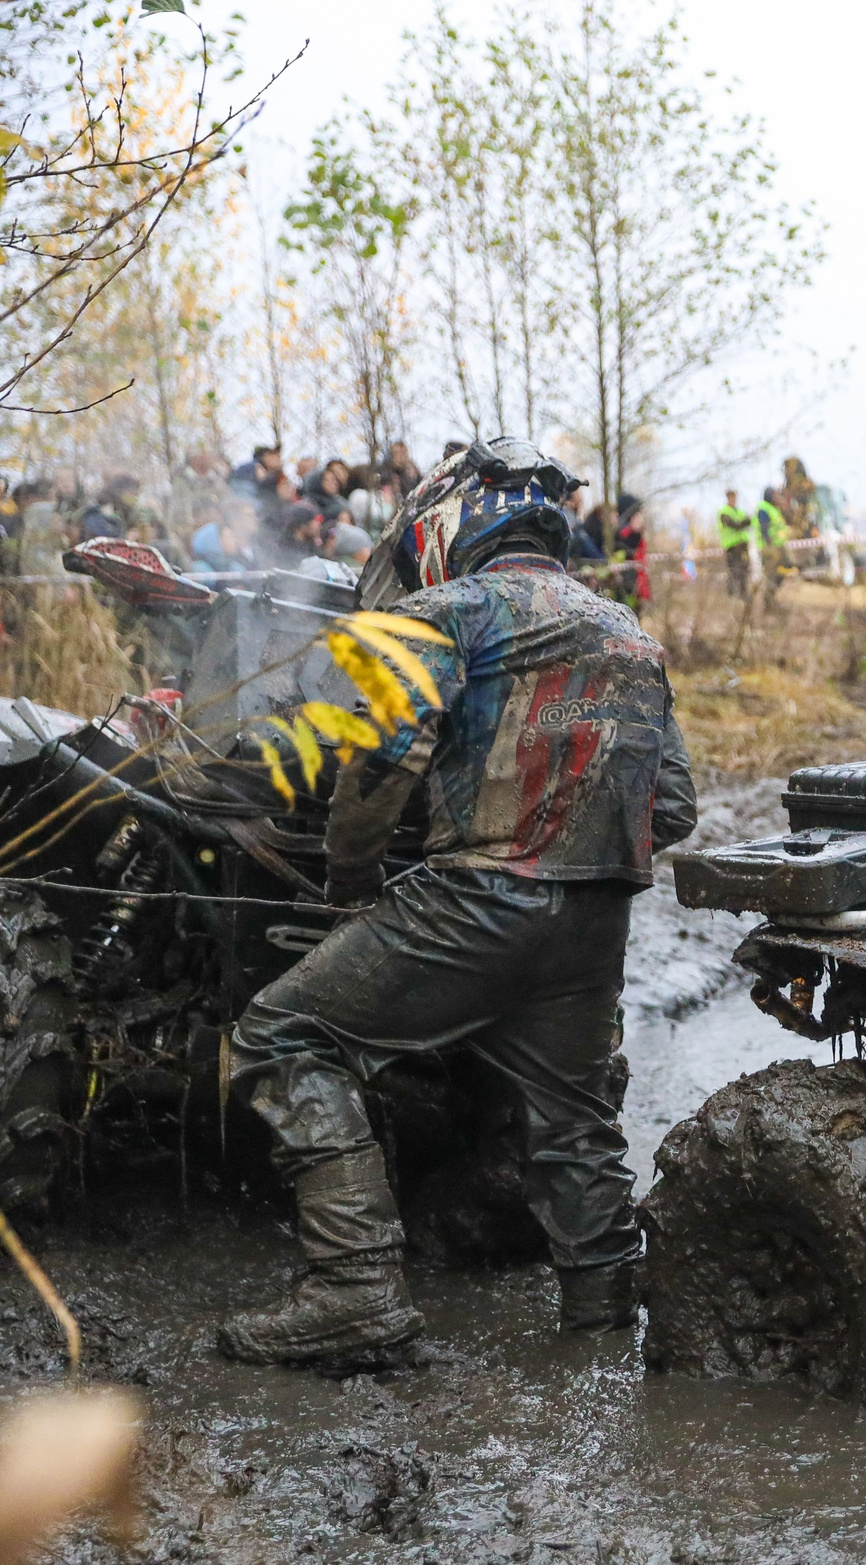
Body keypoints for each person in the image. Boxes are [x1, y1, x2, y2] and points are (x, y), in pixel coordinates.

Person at [217, 437, 696, 1363]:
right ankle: (604, 1326)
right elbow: (670, 806)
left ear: (449, 523)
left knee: (282, 1036)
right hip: (596, 919)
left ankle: (353, 1288)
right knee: (578, 1124)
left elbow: (384, 757)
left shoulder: (449, 609)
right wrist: (573, 835)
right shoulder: (630, 635)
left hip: (478, 898)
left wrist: (351, 886)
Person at [715, 487, 754, 597]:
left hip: (742, 546)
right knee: (734, 571)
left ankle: (743, 594)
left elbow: (747, 522)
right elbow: (735, 525)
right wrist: (745, 522)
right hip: (731, 546)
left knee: (744, 570)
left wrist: (746, 521)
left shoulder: (739, 511)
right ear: (728, 498)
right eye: (731, 497)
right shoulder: (724, 512)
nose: (733, 500)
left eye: (734, 497)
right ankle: (731, 594)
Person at [755, 486, 789, 587]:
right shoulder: (764, 508)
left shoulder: (774, 509)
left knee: (782, 570)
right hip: (769, 548)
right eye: (774, 495)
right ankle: (768, 599)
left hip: (777, 546)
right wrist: (769, 546)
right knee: (771, 575)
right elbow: (764, 529)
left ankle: (770, 597)